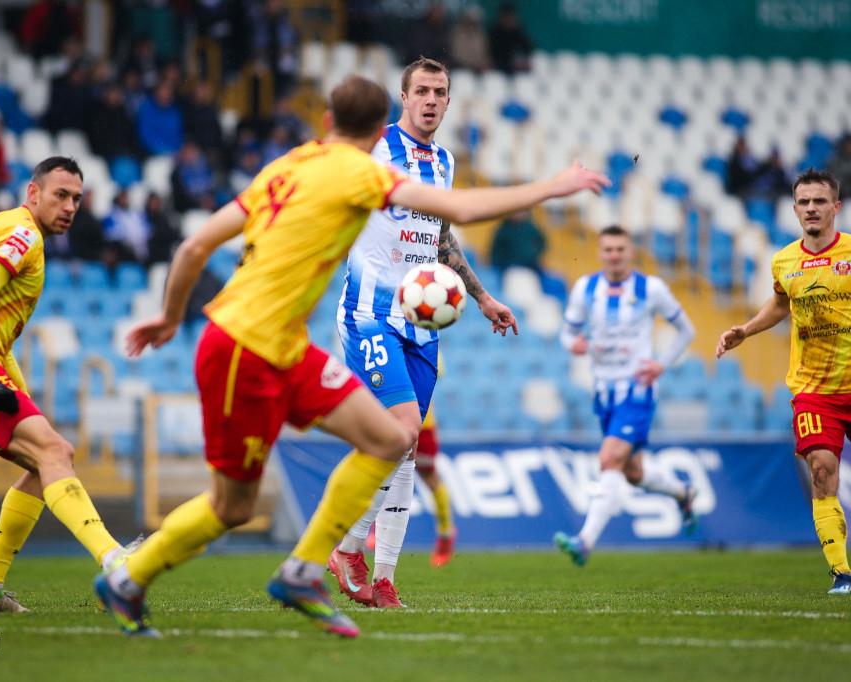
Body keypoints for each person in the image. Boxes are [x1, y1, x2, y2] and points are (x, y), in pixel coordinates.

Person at [92, 74, 609, 638]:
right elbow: (463, 206)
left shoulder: (287, 165)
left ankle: (305, 569)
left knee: (392, 438)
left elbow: (194, 245)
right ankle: (128, 579)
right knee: (232, 506)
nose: (430, 104)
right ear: (381, 125)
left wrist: (170, 317)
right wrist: (553, 186)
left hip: (286, 345)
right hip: (245, 345)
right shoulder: (362, 171)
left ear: (326, 122)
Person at [329, 58, 515, 609]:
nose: (431, 100)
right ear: (403, 97)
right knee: (404, 428)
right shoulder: (375, 147)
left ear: (449, 102)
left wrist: (482, 297)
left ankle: (382, 576)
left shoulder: (445, 161)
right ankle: (345, 548)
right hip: (368, 315)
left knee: (405, 451)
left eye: (440, 92)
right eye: (422, 91)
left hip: (422, 324)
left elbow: (440, 238)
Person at [0, 157, 132, 613]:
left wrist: (16, 389)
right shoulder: (23, 235)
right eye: (61, 195)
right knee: (56, 453)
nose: (71, 206)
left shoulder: (17, 231)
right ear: (33, 194)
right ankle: (116, 561)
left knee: (48, 461)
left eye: (77, 198)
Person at [716, 168, 851, 595]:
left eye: (819, 201)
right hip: (813, 389)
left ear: (835, 206)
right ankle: (842, 574)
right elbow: (779, 305)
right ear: (794, 209)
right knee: (822, 471)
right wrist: (746, 330)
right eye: (804, 202)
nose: (811, 208)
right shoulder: (784, 260)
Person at [554, 225, 698, 567]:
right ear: (600, 253)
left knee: (608, 459)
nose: (614, 255)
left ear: (630, 252)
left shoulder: (651, 289)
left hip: (637, 391)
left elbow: (686, 330)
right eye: (608, 249)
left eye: (620, 249)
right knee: (632, 472)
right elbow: (567, 332)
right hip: (603, 393)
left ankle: (584, 541)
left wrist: (661, 364)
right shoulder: (585, 289)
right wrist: (573, 343)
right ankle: (683, 493)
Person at [416, 353, 456, 568]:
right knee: (382, 475)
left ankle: (445, 534)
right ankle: (374, 530)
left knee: (430, 479)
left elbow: (437, 369)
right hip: (388, 419)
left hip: (423, 424)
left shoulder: (423, 329)